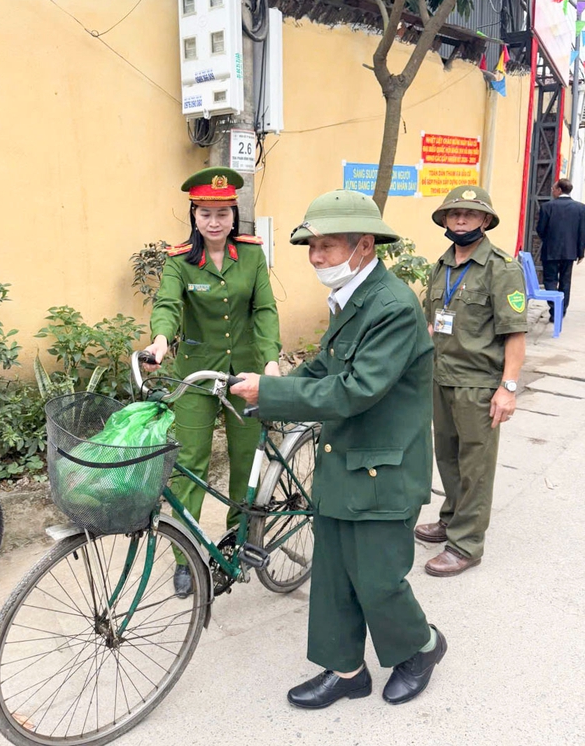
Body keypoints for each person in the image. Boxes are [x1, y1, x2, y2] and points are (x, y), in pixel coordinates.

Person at [232, 189, 446, 710]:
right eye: (312, 246)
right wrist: (266, 389)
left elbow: (356, 388)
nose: (317, 257)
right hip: (345, 457)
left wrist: (275, 393)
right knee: (332, 575)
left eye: (328, 246)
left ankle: (421, 646)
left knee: (377, 577)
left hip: (384, 467)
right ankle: (346, 669)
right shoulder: (352, 297)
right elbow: (326, 368)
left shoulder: (390, 305)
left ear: (365, 245)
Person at [143, 167, 281, 596]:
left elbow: (264, 310)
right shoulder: (179, 260)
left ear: (233, 214)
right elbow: (168, 304)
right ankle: (185, 557)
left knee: (246, 462)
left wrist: (271, 360)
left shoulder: (252, 255)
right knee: (191, 465)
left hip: (243, 372)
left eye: (222, 213)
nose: (215, 221)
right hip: (197, 375)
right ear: (194, 215)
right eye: (206, 213)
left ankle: (237, 542)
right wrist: (161, 340)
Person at [416, 186, 527, 576]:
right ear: (445, 220)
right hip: (441, 377)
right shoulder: (441, 265)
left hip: (479, 383)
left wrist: (508, 388)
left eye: (469, 214)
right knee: (447, 456)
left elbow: (514, 333)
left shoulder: (501, 267)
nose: (460, 219)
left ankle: (466, 544)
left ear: (485, 220)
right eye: (453, 213)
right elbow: (432, 324)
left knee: (475, 464)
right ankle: (451, 516)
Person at [536, 178, 585, 322]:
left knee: (550, 280)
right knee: (565, 281)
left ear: (559, 190)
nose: (552, 191)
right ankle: (561, 310)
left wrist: (549, 240)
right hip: (569, 252)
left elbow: (540, 230)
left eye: (553, 188)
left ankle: (554, 309)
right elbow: (582, 232)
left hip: (550, 250)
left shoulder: (547, 207)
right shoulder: (581, 208)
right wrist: (580, 252)